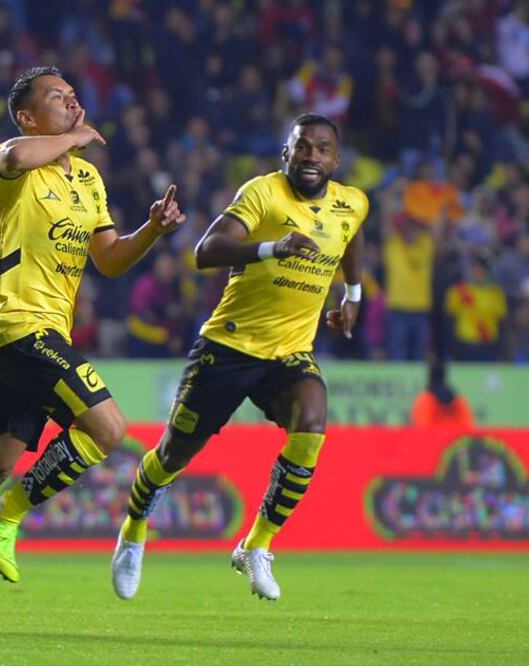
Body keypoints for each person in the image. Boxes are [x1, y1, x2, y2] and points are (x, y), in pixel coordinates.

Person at [0, 65, 186, 629]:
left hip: (50, 334)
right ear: (27, 116)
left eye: (72, 95)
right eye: (56, 97)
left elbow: (109, 259)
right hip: (17, 326)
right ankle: (9, 514)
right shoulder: (12, 162)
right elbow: (17, 156)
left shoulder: (88, 179)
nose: (71, 102)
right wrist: (73, 137)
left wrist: (152, 232)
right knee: (108, 429)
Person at [110, 113, 368, 602]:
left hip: (290, 352)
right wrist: (272, 248)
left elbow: (351, 235)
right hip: (228, 347)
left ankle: (256, 545)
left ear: (336, 158)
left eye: (322, 148)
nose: (311, 156)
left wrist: (352, 294)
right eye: (302, 146)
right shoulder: (263, 193)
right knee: (171, 456)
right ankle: (133, 530)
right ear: (286, 153)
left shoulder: (352, 202)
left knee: (312, 424)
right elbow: (206, 250)